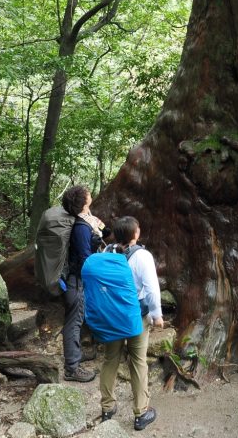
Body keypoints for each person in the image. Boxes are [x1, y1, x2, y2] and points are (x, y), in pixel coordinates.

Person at [99, 215, 164, 431]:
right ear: (135, 234)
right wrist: (157, 315)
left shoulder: (106, 252)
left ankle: (107, 409)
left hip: (111, 315)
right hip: (134, 315)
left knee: (110, 360)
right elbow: (152, 289)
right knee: (138, 362)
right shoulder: (142, 256)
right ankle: (141, 413)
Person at [61, 184, 103, 382]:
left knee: (76, 321)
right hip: (76, 282)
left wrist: (96, 236)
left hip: (76, 280)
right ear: (83, 201)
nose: (89, 193)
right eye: (87, 193)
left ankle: (76, 356)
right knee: (73, 323)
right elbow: (85, 258)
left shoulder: (85, 223)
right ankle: (72, 369)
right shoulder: (80, 227)